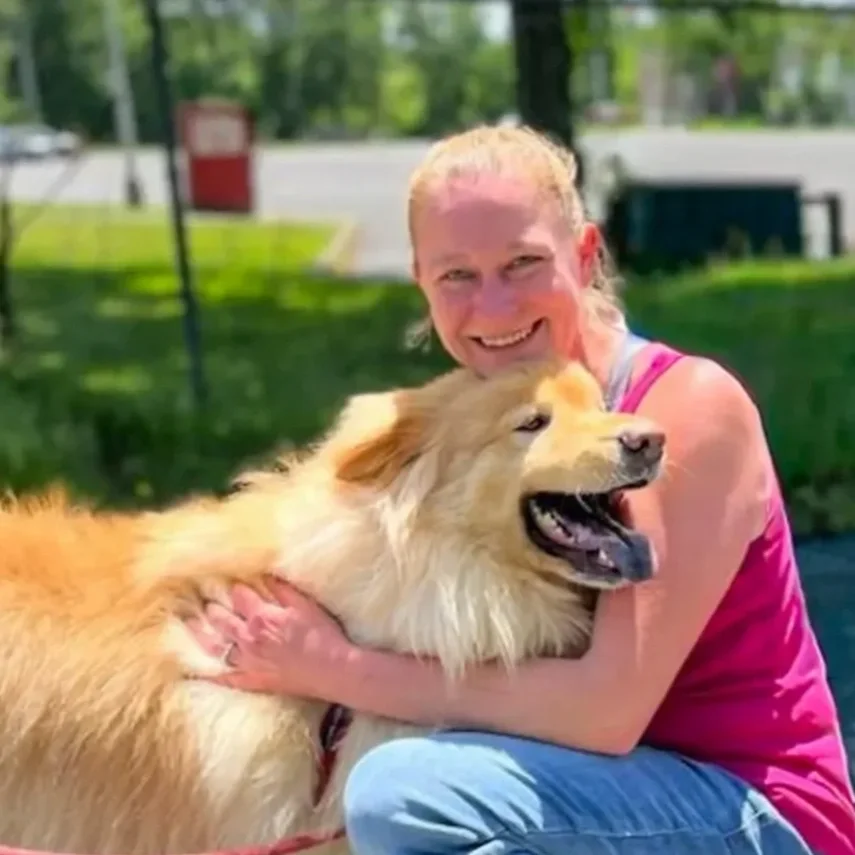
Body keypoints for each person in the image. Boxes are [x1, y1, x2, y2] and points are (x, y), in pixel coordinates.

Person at [187, 125, 855, 855]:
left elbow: (604, 711)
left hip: (757, 812)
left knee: (396, 790)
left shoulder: (683, 406)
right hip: (602, 794)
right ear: (420, 281)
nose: (495, 307)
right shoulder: (482, 414)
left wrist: (333, 667)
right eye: (457, 277)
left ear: (585, 255)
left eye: (522, 263)